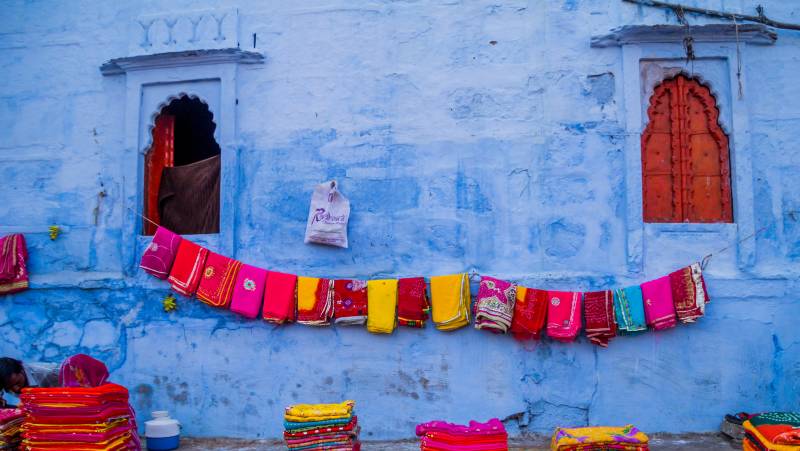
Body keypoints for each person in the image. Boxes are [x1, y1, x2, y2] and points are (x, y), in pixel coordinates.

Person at [0, 354, 109, 407]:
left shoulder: (48, 374)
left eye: (17, 383)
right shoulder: (6, 380)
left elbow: (66, 401)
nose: (16, 389)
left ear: (21, 370)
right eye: (8, 388)